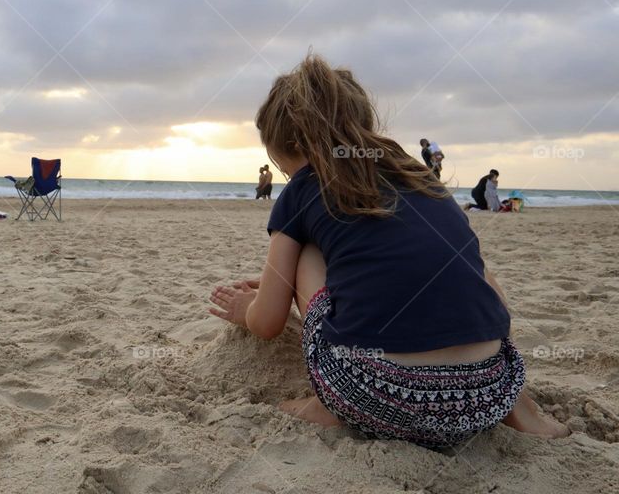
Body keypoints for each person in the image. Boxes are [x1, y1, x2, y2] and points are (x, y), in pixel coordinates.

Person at [208, 53, 567, 448]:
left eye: (284, 168)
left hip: (378, 394)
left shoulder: (302, 189)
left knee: (307, 251)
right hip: (487, 392)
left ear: (294, 147)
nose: (287, 178)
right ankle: (523, 407)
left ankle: (328, 405)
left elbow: (270, 321)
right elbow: (395, 262)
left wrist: (250, 308)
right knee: (471, 269)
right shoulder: (415, 175)